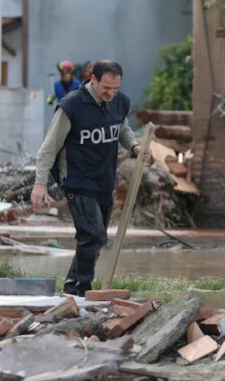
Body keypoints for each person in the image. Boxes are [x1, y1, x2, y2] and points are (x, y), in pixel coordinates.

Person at [30, 60, 149, 297]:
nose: (111, 93)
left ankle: (71, 288)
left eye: (115, 88)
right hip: (77, 180)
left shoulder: (119, 102)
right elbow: (48, 148)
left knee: (96, 239)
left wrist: (135, 147)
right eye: (106, 88)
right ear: (92, 80)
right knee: (91, 234)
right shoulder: (71, 106)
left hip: (104, 180)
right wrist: (40, 184)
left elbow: (122, 129)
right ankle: (83, 291)